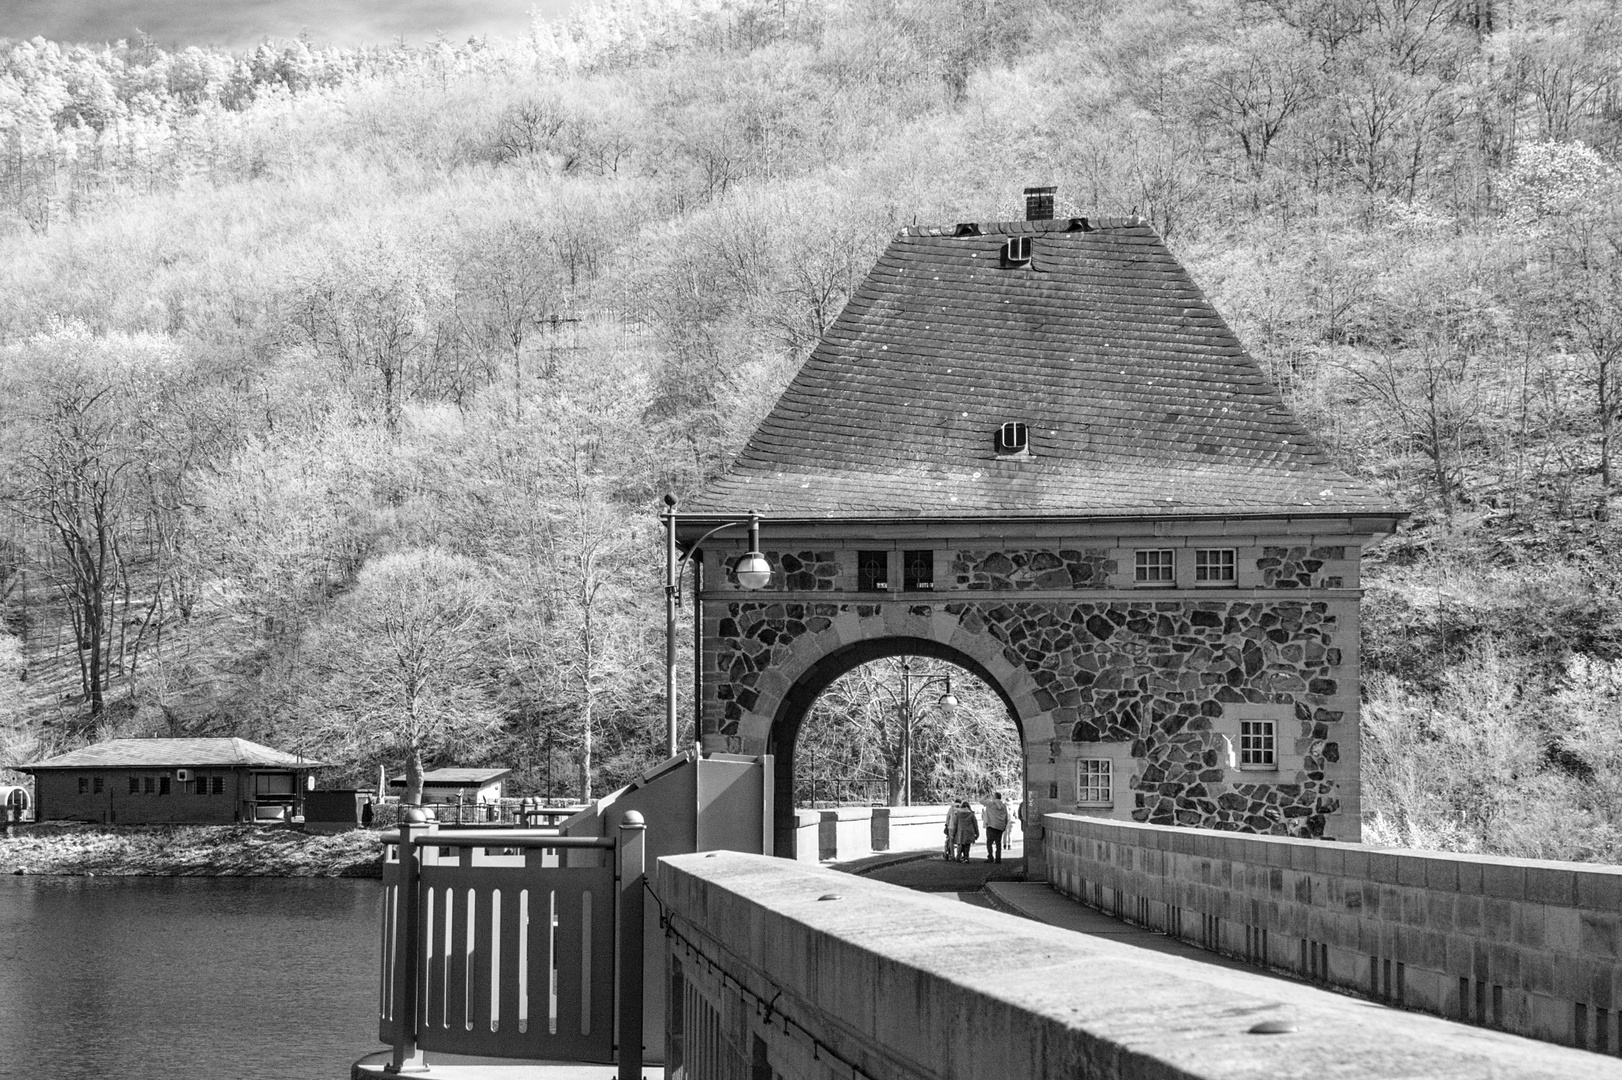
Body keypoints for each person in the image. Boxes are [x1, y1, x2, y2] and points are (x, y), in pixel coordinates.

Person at [983, 791, 1009, 864]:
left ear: (994, 797)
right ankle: (998, 858)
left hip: (991, 825)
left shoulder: (991, 804)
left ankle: (990, 857)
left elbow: (981, 801)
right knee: (998, 843)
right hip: (1000, 826)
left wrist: (986, 795)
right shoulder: (1004, 806)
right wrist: (1004, 826)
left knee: (989, 843)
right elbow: (1006, 817)